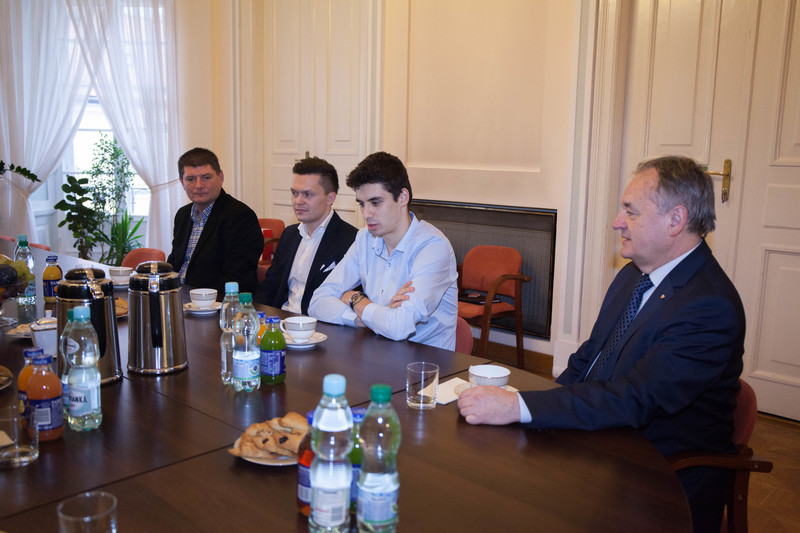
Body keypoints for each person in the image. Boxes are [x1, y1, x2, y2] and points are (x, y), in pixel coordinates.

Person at [458, 156, 744, 532]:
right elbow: (589, 359)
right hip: (603, 441)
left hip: (659, 479)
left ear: (676, 220)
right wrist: (539, 418)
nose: (617, 222)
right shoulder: (633, 275)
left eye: (631, 212)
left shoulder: (709, 306)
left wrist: (519, 406)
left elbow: (636, 398)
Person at [308, 151, 458, 350]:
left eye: (376, 202)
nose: (366, 213)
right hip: (377, 351)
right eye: (362, 204)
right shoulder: (364, 239)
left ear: (402, 197)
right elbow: (317, 302)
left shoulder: (432, 247)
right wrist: (363, 318)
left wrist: (355, 299)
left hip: (426, 362)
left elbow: (398, 326)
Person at [253, 156, 357, 315]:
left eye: (308, 194)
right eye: (294, 193)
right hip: (280, 319)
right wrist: (253, 316)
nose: (298, 201)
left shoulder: (351, 240)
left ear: (330, 198)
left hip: (318, 324)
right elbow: (270, 286)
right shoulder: (290, 234)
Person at [167, 147, 263, 294]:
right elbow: (174, 264)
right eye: (191, 179)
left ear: (220, 177)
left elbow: (237, 278)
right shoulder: (183, 215)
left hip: (213, 302)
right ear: (182, 182)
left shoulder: (240, 216)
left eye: (206, 177)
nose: (199, 185)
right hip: (179, 296)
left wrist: (195, 298)